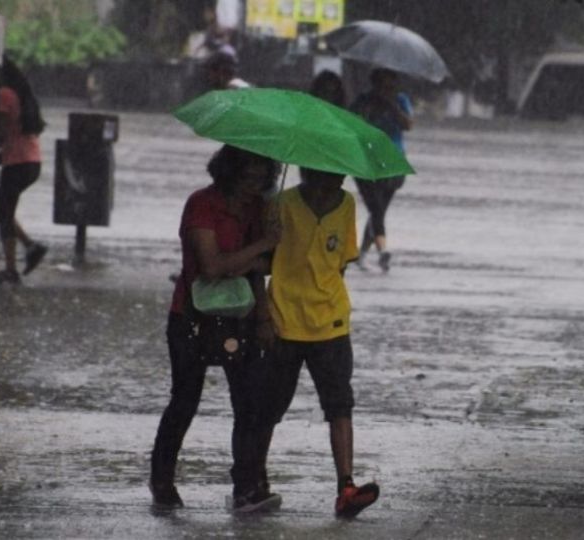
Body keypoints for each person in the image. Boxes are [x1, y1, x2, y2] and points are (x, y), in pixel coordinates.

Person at [150, 144, 281, 513]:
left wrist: (264, 317)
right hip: (192, 316)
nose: (255, 179)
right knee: (185, 400)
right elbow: (209, 266)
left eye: (262, 172)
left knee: (250, 402)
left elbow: (261, 269)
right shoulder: (202, 204)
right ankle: (162, 479)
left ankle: (246, 486)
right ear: (230, 170)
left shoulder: (259, 210)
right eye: (248, 171)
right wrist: (260, 247)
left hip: (241, 316)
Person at [258, 167, 380, 519]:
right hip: (284, 321)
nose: (338, 182)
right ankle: (256, 480)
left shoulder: (347, 205)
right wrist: (264, 315)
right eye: (330, 176)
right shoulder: (281, 204)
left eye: (341, 176)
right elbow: (264, 263)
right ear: (309, 173)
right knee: (270, 407)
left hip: (331, 322)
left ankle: (346, 486)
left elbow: (340, 262)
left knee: (340, 405)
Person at [0, 57, 49, 285]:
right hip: (30, 161)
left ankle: (11, 270)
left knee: (3, 210)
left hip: (18, 163)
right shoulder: (20, 94)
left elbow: (0, 131)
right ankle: (31, 247)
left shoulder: (4, 95)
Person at [350, 68, 413, 272]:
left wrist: (392, 106)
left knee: (379, 210)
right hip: (366, 160)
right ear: (374, 84)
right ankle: (382, 251)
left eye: (391, 86)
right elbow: (351, 122)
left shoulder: (400, 100)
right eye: (383, 85)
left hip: (393, 162)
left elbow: (408, 125)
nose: (387, 89)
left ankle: (364, 254)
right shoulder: (364, 100)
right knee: (376, 208)